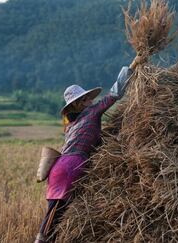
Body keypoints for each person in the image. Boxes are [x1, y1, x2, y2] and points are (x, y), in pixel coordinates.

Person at [35, 65, 133, 243]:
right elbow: (114, 94)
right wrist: (129, 69)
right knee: (55, 213)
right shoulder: (91, 113)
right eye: (87, 99)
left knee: (59, 213)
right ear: (79, 104)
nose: (91, 101)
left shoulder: (71, 125)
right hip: (70, 166)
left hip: (64, 165)